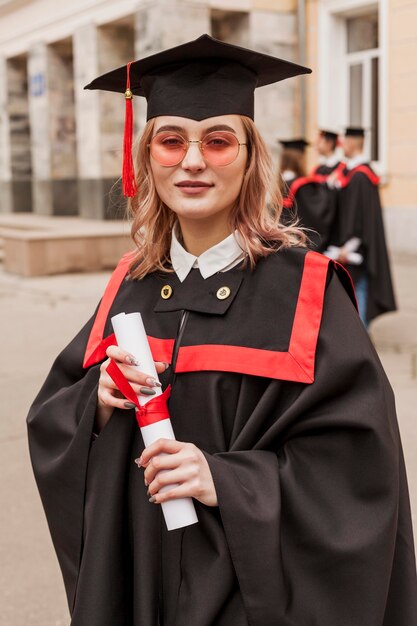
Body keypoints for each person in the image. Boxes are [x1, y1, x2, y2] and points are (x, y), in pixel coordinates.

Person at [27, 35, 416, 626]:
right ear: (147, 157)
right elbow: (53, 421)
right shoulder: (129, 286)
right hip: (142, 580)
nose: (192, 161)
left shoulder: (306, 290)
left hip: (251, 594)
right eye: (171, 140)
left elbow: (361, 474)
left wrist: (229, 482)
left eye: (217, 140)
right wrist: (97, 402)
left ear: (250, 156)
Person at [326, 126, 396, 326]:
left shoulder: (360, 176)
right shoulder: (359, 174)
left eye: (345, 141)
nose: (342, 146)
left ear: (352, 143)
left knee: (359, 295)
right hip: (360, 248)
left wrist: (346, 248)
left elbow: (359, 219)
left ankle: (361, 340)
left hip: (356, 250)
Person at [280, 138, 335, 251]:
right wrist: (328, 186)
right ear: (299, 160)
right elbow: (317, 213)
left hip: (285, 241)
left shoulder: (280, 183)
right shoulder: (302, 186)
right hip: (300, 244)